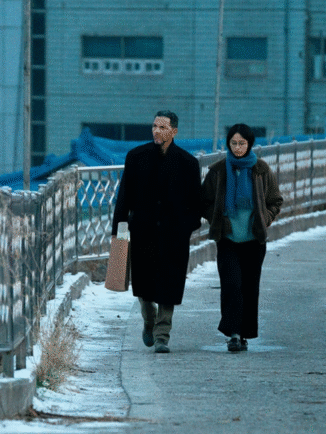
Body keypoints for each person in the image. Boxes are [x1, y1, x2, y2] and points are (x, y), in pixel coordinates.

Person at [111, 110, 202, 353]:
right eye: (154, 126)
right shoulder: (136, 157)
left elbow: (196, 204)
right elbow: (124, 198)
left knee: (168, 287)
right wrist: (118, 230)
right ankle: (149, 320)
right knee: (144, 287)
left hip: (174, 236)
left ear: (174, 132)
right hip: (142, 232)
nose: (156, 131)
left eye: (162, 127)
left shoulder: (188, 164)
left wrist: (185, 228)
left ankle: (162, 334)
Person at [201, 123, 283, 352]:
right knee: (231, 285)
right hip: (227, 240)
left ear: (250, 144)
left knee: (249, 287)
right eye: (234, 143)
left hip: (254, 241)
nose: (238, 148)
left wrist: (264, 218)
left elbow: (275, 200)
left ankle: (244, 333)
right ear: (228, 144)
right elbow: (203, 202)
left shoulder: (261, 170)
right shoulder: (218, 171)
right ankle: (233, 334)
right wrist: (217, 219)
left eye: (242, 143)